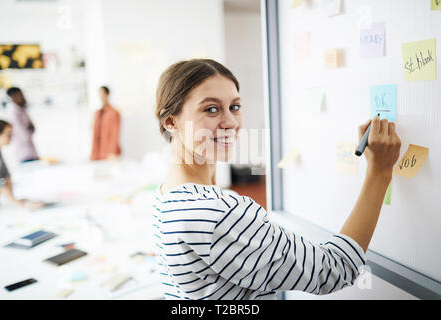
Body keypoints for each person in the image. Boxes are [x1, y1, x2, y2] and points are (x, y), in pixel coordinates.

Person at [152, 59, 401, 300]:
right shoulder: (216, 212)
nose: (230, 121)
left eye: (235, 107)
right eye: (211, 109)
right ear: (171, 121)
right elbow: (334, 270)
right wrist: (380, 172)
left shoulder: (166, 193)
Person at [0, 120, 44, 242]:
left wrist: (15, 200)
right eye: (8, 134)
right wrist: (20, 204)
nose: (12, 138)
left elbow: (6, 176)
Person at [6, 87, 39, 163]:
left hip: (31, 151)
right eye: (20, 95)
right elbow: (23, 135)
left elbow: (32, 127)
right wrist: (29, 130)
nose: (23, 97)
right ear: (13, 97)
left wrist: (30, 129)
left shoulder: (21, 108)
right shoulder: (12, 112)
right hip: (24, 153)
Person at [90, 86, 121, 161]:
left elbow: (115, 134)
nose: (101, 96)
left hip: (109, 153)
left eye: (103, 93)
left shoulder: (114, 113)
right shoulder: (97, 113)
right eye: (99, 94)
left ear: (107, 94)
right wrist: (93, 153)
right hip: (98, 153)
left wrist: (112, 152)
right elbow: (95, 134)